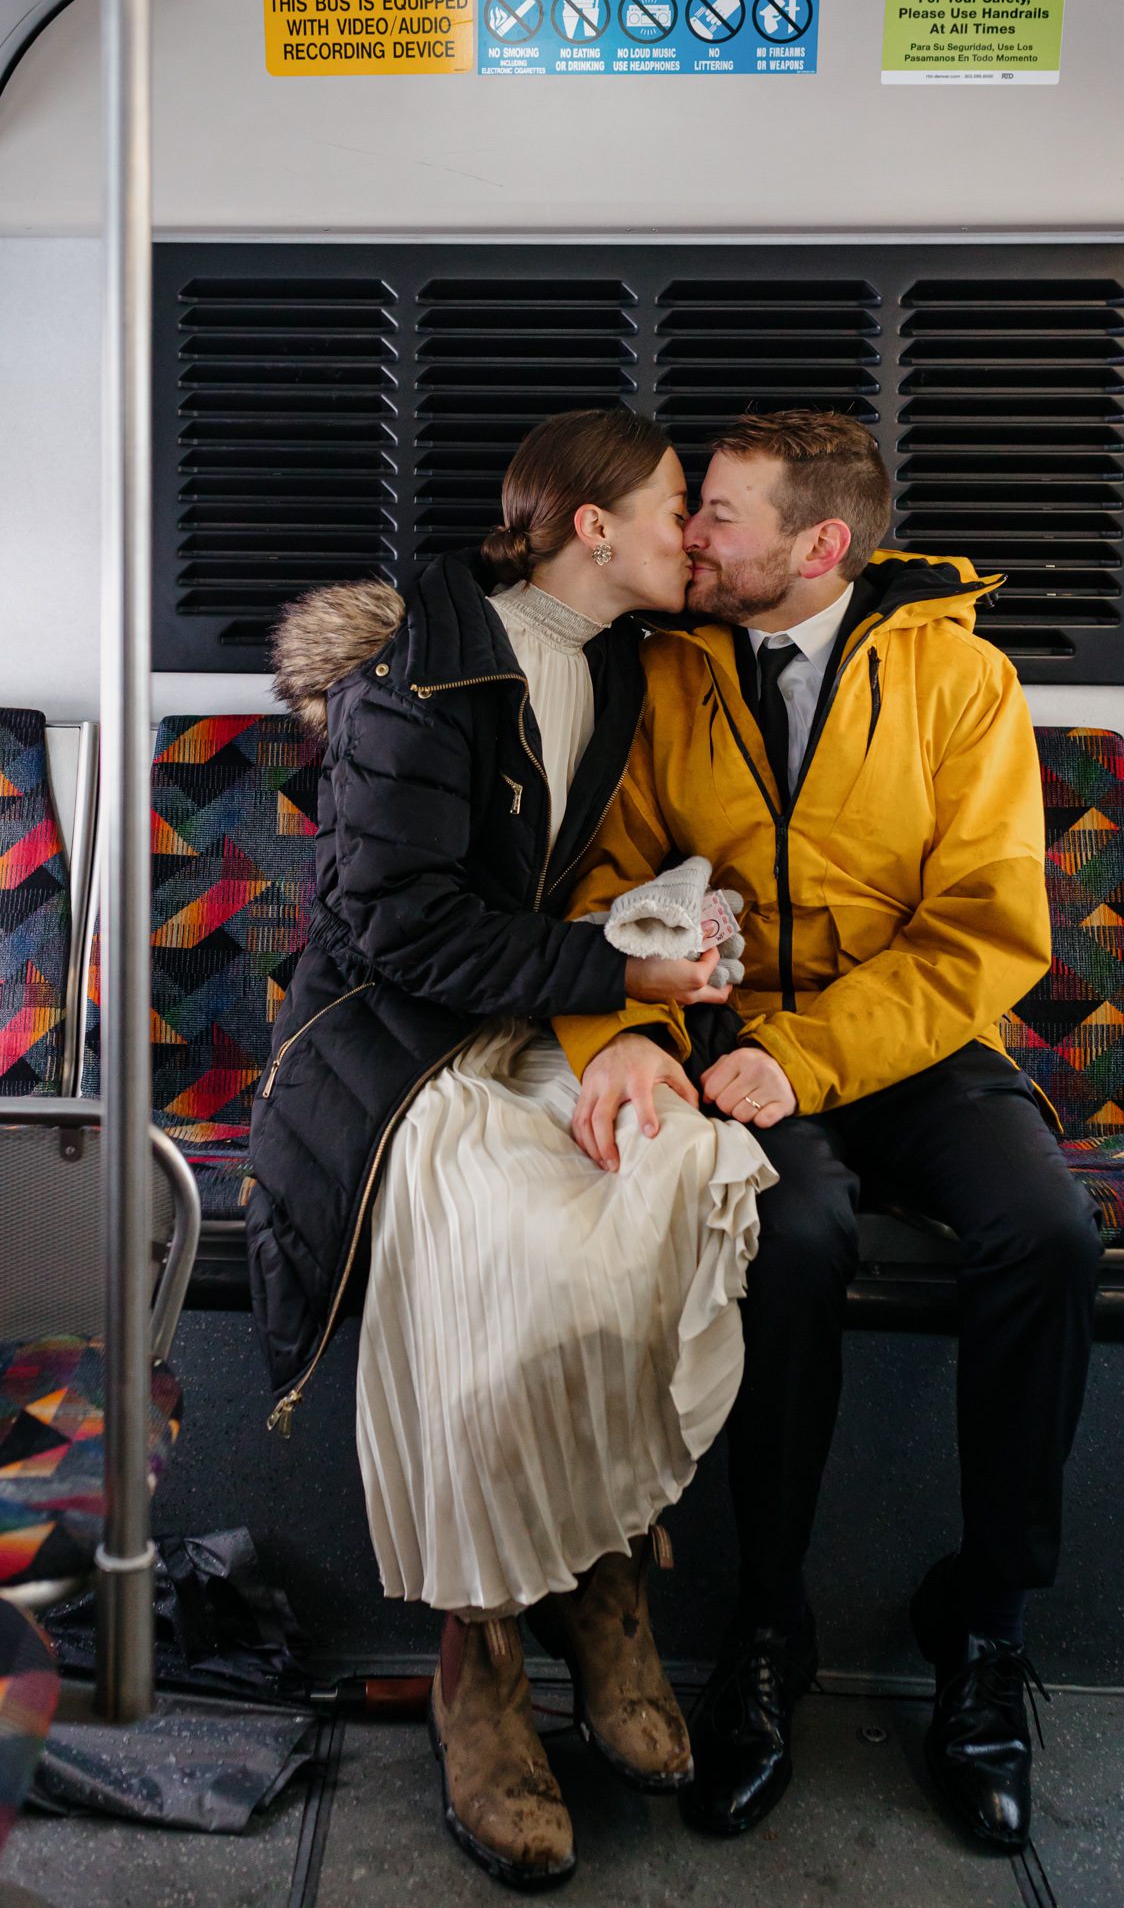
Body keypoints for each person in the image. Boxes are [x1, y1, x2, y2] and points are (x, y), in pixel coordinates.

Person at [554, 408, 1103, 1853]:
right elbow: (604, 878)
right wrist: (636, 1023)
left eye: (717, 514)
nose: (688, 535)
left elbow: (986, 928)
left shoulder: (960, 677)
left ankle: (985, 1625)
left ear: (820, 546)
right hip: (729, 1034)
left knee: (1049, 1232)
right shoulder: (658, 669)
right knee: (788, 1238)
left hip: (912, 1040)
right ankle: (766, 1627)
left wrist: (805, 1057)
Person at [246, 407, 776, 1892]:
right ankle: (477, 1647)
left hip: (543, 1013)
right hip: (394, 1040)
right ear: (592, 526)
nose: (695, 537)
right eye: (676, 507)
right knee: (504, 1243)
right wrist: (618, 974)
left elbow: (586, 875)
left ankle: (600, 1575)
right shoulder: (417, 673)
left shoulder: (618, 661)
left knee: (667, 1175)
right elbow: (398, 930)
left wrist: (654, 968)